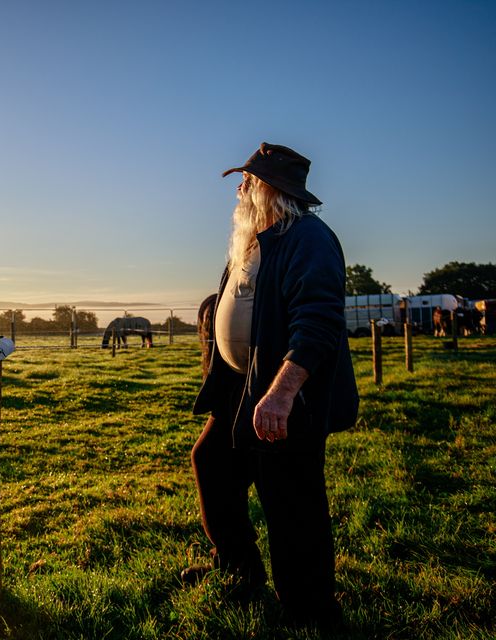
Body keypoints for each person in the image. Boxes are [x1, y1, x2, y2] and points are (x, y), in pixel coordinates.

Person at [185, 142, 358, 628]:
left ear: (269, 190)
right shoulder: (256, 241)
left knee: (290, 497)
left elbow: (319, 321)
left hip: (285, 393)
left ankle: (310, 610)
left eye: (246, 182)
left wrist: (281, 393)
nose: (238, 190)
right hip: (243, 387)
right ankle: (239, 569)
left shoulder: (309, 238)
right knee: (213, 464)